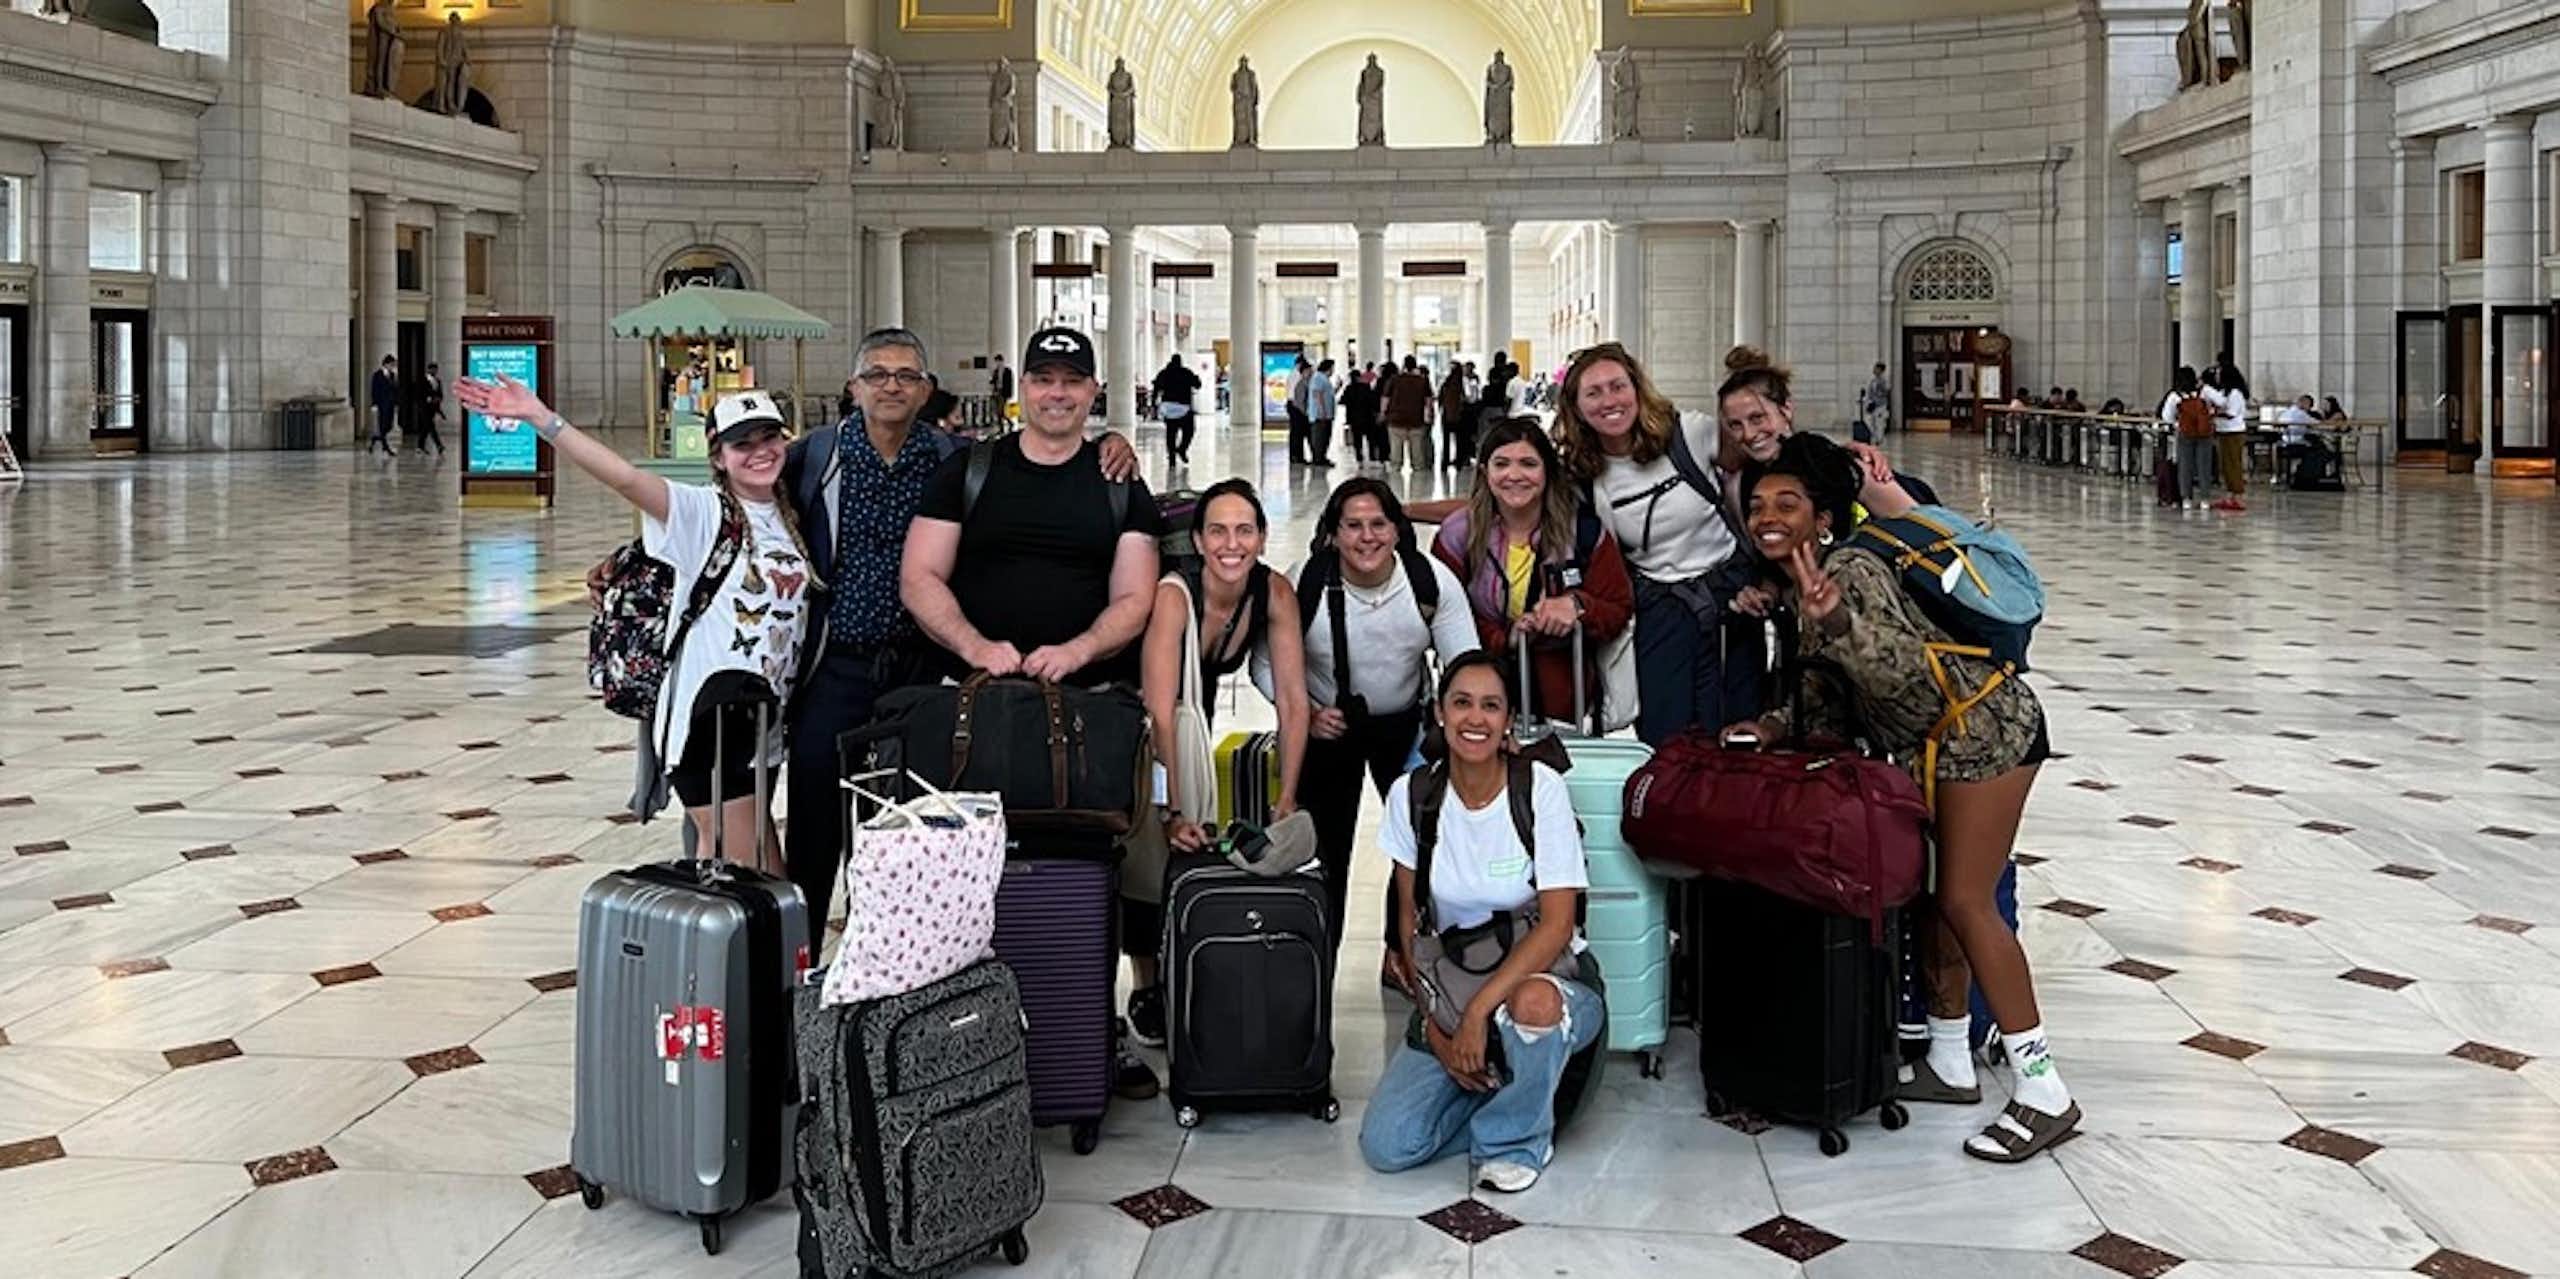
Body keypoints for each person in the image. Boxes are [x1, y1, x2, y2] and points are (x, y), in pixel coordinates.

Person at [1725, 433, 2077, 1164]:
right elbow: (1831, 694)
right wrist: (1773, 725)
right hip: (1935, 744)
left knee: (1967, 901)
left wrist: (1838, 622)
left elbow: (1902, 675)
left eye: (1787, 503)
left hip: (1984, 731)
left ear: (1824, 517)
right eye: (1757, 505)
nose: (1768, 517)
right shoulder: (1812, 580)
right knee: (1931, 899)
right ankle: (1949, 1057)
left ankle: (2043, 1086)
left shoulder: (1849, 570)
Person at [762, 327, 1136, 945]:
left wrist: (1114, 443)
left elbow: (1041, 454)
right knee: (815, 815)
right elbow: (739, 504)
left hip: (921, 667)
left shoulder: (951, 458)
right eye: (877, 374)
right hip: (837, 663)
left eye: (906, 376)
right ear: (854, 387)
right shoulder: (816, 457)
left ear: (926, 389)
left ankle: (892, 956)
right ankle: (799, 964)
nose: (891, 386)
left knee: (910, 822)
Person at [902, 325, 1164, 1099]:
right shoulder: (969, 470)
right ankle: (960, 1034)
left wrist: (1077, 651)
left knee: (1090, 868)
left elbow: (1135, 596)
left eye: (1071, 381)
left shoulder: (1119, 484)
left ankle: (1091, 1030)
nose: (1057, 393)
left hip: (1083, 710)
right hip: (976, 712)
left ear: (1093, 392)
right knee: (969, 871)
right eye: (1044, 378)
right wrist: (976, 646)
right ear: (1022, 388)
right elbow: (921, 576)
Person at [456, 377, 814, 877]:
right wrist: (542, 418)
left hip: (762, 722)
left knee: (726, 867)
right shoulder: (701, 511)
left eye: (769, 438)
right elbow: (625, 478)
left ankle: (712, 929)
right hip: (711, 719)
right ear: (718, 458)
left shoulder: (788, 513)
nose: (760, 452)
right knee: (758, 873)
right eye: (742, 444)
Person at [1358, 652, 1601, 1194]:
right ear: (1440, 713)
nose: (1475, 718)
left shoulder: (1539, 788)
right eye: (1462, 703)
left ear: (1508, 719)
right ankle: (1513, 1094)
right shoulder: (1412, 796)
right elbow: (1411, 926)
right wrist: (1438, 1030)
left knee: (1532, 1006)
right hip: (1452, 986)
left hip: (1545, 983)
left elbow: (1558, 925)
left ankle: (1515, 1142)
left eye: (1491, 706)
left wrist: (1478, 1015)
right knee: (1388, 1146)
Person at [1256, 478, 1480, 990]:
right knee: (1325, 854)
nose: (1367, 537)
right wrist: (1308, 712)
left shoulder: (1429, 582)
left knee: (1421, 843)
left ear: (1397, 530)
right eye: (1353, 526)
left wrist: (1460, 720)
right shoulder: (1305, 583)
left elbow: (1465, 666)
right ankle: (1315, 966)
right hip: (1327, 731)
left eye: (1378, 524)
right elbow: (1264, 664)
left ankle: (1399, 953)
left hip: (1405, 726)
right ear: (1333, 534)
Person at [1128, 479, 1311, 1047]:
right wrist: (1170, 809)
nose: (1232, 545)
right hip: (1139, 712)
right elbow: (1159, 713)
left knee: (1197, 843)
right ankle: (1146, 984)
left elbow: (1294, 702)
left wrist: (1286, 797)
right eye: (1218, 532)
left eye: (1244, 531)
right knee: (1150, 851)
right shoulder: (1173, 596)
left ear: (1263, 537)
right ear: (1199, 541)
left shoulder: (1273, 592)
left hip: (1193, 706)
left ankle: (1188, 961)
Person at [1548, 342, 1754, 746]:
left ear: (1637, 389)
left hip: (1731, 598)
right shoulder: (1582, 474)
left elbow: (1758, 455)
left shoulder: (1688, 433)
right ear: (1576, 408)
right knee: (1666, 733)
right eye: (1594, 393)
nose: (1610, 401)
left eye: (1617, 386)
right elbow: (1520, 505)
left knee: (1736, 725)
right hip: (1659, 610)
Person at [1430, 418, 1635, 731]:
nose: (1514, 475)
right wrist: (1504, 638)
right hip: (1482, 701)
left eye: (1528, 464)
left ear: (1547, 472)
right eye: (1501, 464)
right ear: (1485, 472)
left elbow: (1619, 607)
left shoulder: (1582, 533)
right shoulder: (1458, 536)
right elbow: (1443, 615)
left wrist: (1578, 606)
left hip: (1563, 702)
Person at [2160, 366, 2214, 510]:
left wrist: (2177, 423)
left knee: (2185, 466)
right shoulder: (2203, 393)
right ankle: (2205, 499)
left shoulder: (2175, 396)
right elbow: (2216, 405)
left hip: (2185, 433)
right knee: (2204, 466)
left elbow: (2167, 417)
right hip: (2204, 433)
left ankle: (2186, 499)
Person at [2204, 365, 2250, 511]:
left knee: (2233, 464)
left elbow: (2231, 413)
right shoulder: (2224, 392)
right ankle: (2230, 494)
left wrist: (2214, 414)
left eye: (2219, 374)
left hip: (2234, 431)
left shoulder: (2236, 393)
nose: (2217, 377)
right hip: (2223, 430)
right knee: (2225, 465)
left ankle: (2238, 495)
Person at [1383, 355, 1436, 473]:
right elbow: (1428, 401)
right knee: (1418, 458)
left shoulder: (1394, 379)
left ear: (1404, 365)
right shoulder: (1422, 381)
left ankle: (1395, 480)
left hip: (1396, 420)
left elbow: (1385, 398)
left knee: (1395, 457)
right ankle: (1419, 481)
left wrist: (1383, 413)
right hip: (1416, 420)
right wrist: (1429, 416)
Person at [1153, 354, 1202, 465]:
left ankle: (1172, 457)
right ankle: (1182, 449)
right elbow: (1198, 385)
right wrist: (1196, 378)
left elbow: (1156, 388)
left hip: (1169, 408)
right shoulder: (1186, 372)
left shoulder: (1164, 373)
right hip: (1184, 407)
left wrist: (1154, 404)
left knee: (1171, 433)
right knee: (1189, 431)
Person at [1341, 362, 1382, 466]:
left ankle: (1359, 457)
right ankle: (1372, 456)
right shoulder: (1366, 387)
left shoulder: (1349, 388)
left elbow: (1342, 401)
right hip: (1367, 417)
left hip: (1354, 418)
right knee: (1370, 438)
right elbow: (1373, 401)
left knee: (1357, 439)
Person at [1304, 358, 1339, 468]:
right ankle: (1318, 458)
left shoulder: (1324, 379)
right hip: (1320, 415)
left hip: (1326, 415)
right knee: (1320, 437)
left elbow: (1328, 394)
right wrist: (1322, 411)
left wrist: (1338, 387)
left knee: (1325, 437)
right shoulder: (1318, 378)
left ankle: (1322, 457)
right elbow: (1317, 394)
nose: (1333, 370)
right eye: (1332, 368)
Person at [1437, 363, 1473, 468]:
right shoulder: (1462, 383)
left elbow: (1440, 399)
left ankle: (1445, 462)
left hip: (1447, 415)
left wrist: (1442, 409)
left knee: (1446, 440)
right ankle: (1458, 461)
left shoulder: (1446, 383)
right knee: (1459, 440)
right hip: (1459, 415)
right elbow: (1467, 399)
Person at [367, 355, 400, 457]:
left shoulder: (393, 375)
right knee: (383, 425)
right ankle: (386, 448)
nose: (393, 366)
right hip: (381, 404)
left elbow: (395, 390)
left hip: (391, 403)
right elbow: (374, 390)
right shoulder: (377, 375)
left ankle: (375, 438)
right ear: (386, 364)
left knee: (388, 426)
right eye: (392, 364)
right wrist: (374, 403)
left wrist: (396, 403)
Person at [415, 361, 449, 457]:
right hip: (424, 407)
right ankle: (439, 445)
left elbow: (440, 394)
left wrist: (438, 400)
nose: (434, 371)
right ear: (428, 370)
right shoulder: (422, 380)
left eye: (436, 370)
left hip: (433, 408)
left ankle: (419, 447)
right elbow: (418, 394)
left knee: (426, 428)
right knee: (431, 426)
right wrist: (428, 398)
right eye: (433, 369)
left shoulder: (438, 381)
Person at [1286, 356, 1314, 465]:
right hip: (1296, 405)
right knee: (1297, 432)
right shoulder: (1296, 376)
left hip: (1294, 404)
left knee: (1297, 432)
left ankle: (1297, 456)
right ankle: (1297, 456)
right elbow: (1298, 394)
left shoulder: (1293, 374)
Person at [1858, 362, 1893, 439]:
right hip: (1872, 405)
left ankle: (1878, 439)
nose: (1874, 370)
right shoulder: (1873, 380)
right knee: (1869, 421)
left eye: (1876, 368)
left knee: (1879, 423)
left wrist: (1881, 393)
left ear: (1880, 370)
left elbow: (1886, 391)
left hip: (1880, 405)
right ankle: (1874, 436)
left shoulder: (1884, 380)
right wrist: (1866, 400)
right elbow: (1870, 392)